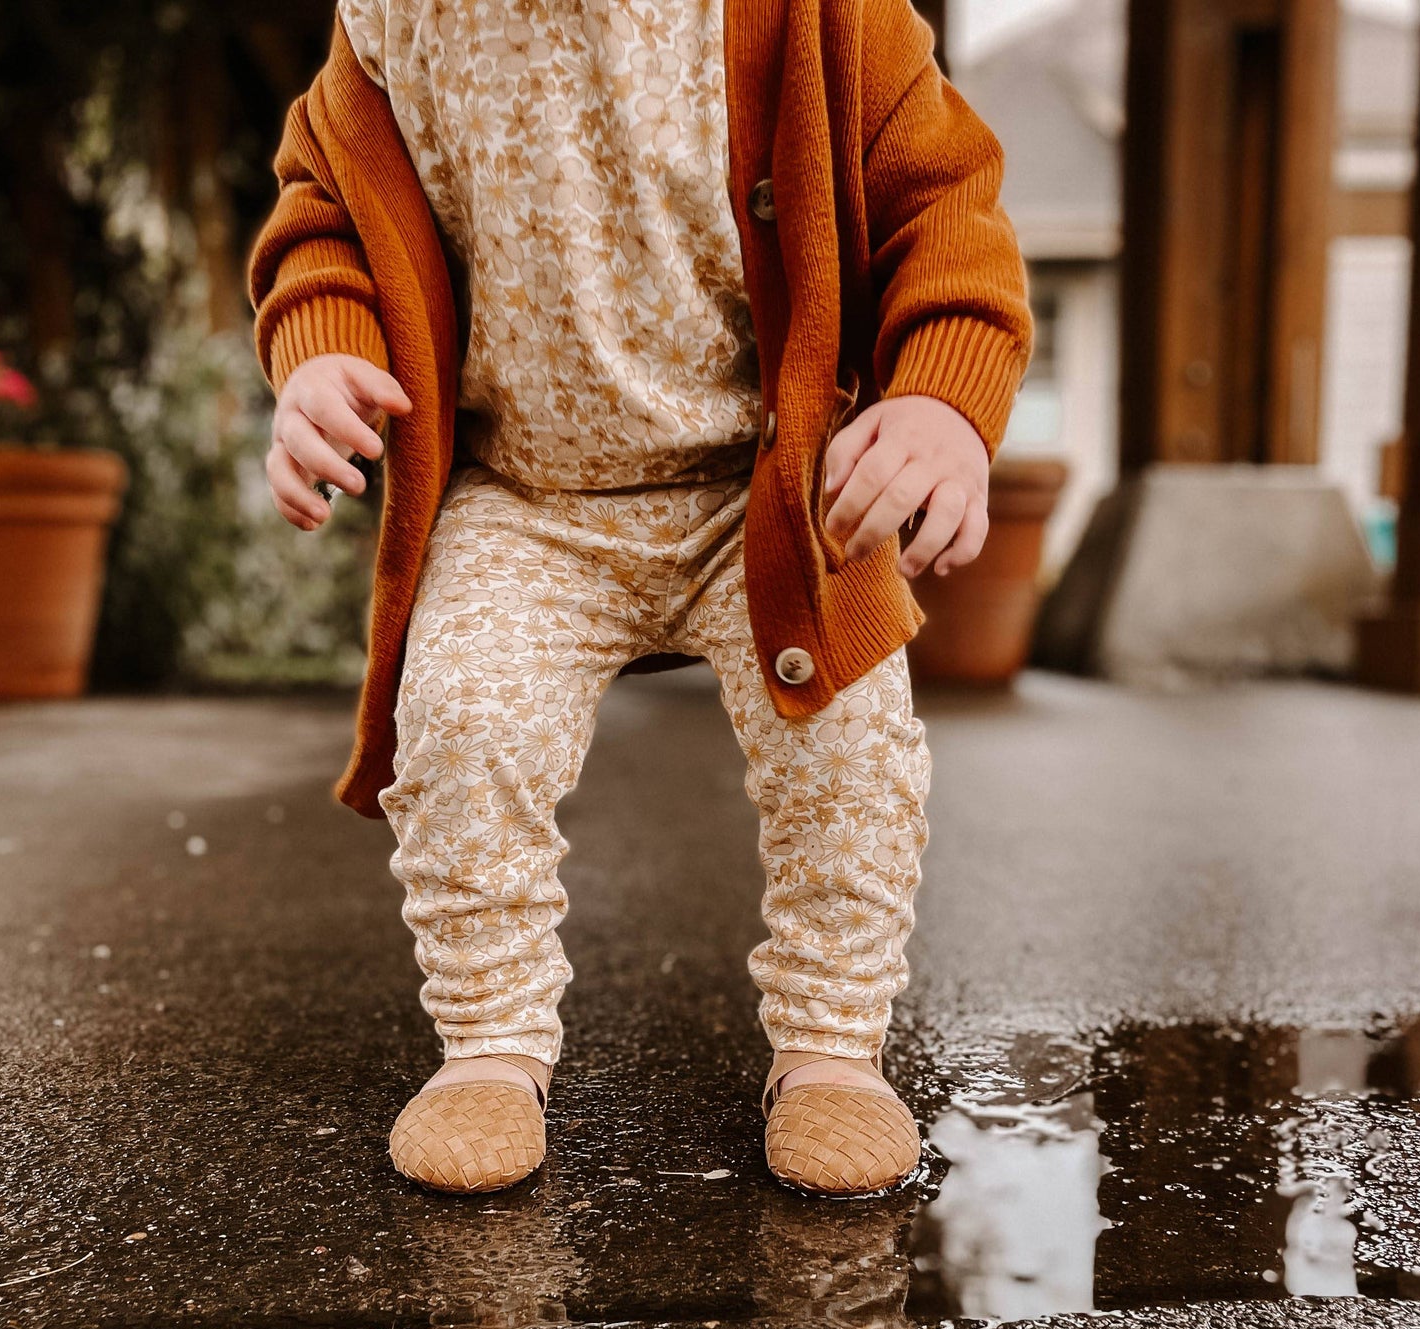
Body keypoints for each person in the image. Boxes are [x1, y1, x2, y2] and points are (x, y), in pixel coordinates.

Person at [249, 0, 1031, 1196]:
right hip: (526, 492)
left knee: (849, 741)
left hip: (768, 481)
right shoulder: (399, 25)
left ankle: (830, 1047)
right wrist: (319, 344)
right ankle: (488, 1043)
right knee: (460, 721)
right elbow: (325, 213)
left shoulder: (819, 16)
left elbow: (944, 204)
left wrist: (937, 397)